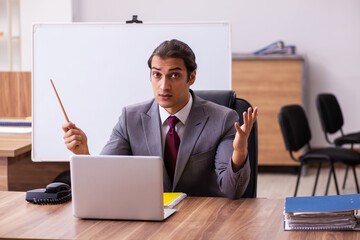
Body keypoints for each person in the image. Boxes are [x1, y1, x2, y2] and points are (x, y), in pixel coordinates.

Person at [62, 39, 258, 199]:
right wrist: (83, 154)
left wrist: (239, 152)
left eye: (174, 75)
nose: (164, 86)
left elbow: (233, 191)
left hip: (202, 220)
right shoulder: (130, 118)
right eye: (157, 75)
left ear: (191, 78)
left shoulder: (223, 119)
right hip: (149, 220)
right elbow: (105, 182)